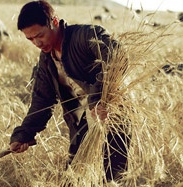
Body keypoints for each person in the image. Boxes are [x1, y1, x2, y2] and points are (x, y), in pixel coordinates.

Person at [9, 0, 130, 182]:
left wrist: (98, 100)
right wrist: (23, 134)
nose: (37, 43)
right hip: (82, 124)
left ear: (54, 22)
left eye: (39, 35)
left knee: (111, 178)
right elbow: (41, 102)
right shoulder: (47, 62)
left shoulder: (86, 35)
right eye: (30, 39)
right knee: (73, 177)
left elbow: (117, 56)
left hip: (113, 117)